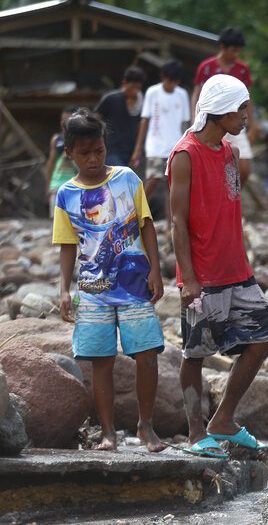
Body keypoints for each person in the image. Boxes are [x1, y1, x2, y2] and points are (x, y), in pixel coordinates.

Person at [169, 74, 268, 458]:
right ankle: (194, 433)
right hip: (203, 276)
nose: (246, 118)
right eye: (241, 110)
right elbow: (177, 223)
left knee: (264, 336)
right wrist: (188, 280)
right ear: (220, 112)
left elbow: (229, 205)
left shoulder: (230, 153)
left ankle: (223, 419)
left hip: (237, 270)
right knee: (195, 354)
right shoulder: (184, 155)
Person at [52, 109, 166, 453]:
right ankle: (108, 433)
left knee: (147, 354)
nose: (93, 159)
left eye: (98, 151)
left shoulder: (127, 178)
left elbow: (146, 224)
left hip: (134, 285)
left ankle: (146, 427)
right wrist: (64, 290)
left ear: (105, 146)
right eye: (84, 153)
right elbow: (68, 245)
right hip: (93, 290)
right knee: (101, 361)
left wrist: (156, 270)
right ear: (69, 153)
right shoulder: (66, 194)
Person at [192, 27, 261, 186]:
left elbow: (247, 98)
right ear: (222, 47)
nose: (236, 54)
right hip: (212, 123)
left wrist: (253, 125)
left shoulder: (242, 69)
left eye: (239, 51)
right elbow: (197, 94)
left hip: (235, 122)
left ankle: (230, 196)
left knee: (244, 168)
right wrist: (195, 119)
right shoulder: (207, 67)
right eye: (233, 50)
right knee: (208, 164)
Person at [131, 60, 191, 202]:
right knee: (153, 179)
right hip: (155, 146)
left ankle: (171, 223)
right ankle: (136, 213)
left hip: (176, 146)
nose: (172, 85)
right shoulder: (153, 92)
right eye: (170, 81)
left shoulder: (182, 94)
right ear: (163, 77)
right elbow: (145, 120)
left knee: (172, 187)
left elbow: (185, 123)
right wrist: (138, 149)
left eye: (175, 82)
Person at [95, 66, 146, 167]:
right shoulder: (111, 99)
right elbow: (95, 118)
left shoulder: (142, 102)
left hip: (131, 151)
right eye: (132, 87)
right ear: (124, 83)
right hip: (111, 150)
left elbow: (142, 126)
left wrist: (137, 151)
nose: (135, 91)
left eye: (138, 88)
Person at [45, 106, 78, 216]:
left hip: (76, 185)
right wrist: (49, 185)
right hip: (57, 185)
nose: (65, 123)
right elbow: (51, 162)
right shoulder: (57, 139)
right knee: (56, 219)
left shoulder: (82, 140)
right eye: (63, 119)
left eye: (68, 120)